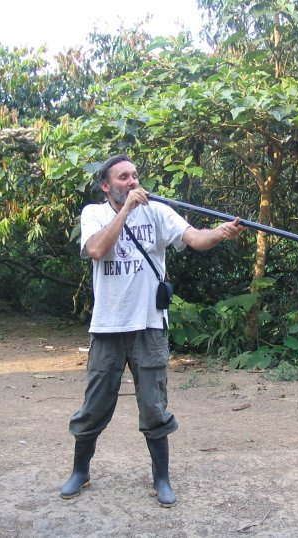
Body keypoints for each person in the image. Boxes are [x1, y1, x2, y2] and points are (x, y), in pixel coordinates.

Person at [61, 154, 243, 507]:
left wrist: (220, 233)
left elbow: (195, 238)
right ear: (106, 185)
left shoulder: (158, 211)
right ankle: (80, 472)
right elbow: (97, 249)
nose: (132, 181)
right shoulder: (93, 214)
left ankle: (161, 478)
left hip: (149, 326)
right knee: (93, 407)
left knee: (155, 407)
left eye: (135, 175)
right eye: (123, 177)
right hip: (108, 327)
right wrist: (126, 210)